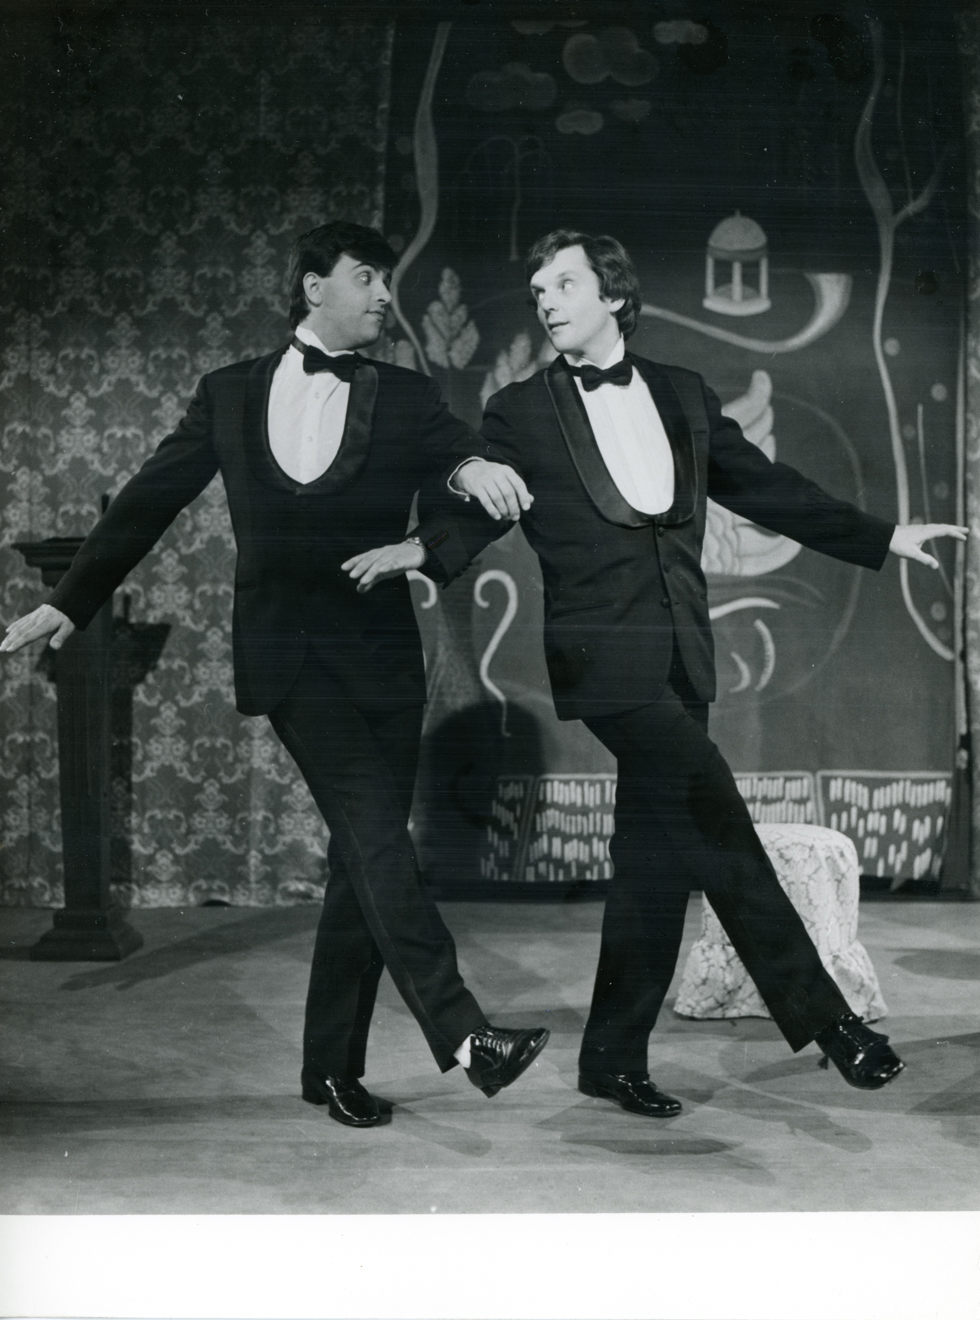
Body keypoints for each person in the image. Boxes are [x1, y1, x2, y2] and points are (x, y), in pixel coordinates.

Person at [0, 221, 547, 1129]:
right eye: (367, 278)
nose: (385, 296)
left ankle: (329, 1070)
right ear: (313, 286)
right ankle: (464, 1034)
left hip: (383, 664)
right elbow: (149, 498)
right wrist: (73, 600)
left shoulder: (406, 394)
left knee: (360, 861)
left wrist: (466, 487)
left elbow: (463, 461)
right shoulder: (229, 393)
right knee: (379, 837)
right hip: (290, 660)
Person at [445, 228, 967, 1117]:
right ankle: (831, 1021)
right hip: (603, 661)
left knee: (653, 859)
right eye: (537, 292)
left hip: (683, 656)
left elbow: (766, 487)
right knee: (718, 819)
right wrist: (446, 506)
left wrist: (882, 537)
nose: (546, 302)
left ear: (613, 295)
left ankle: (611, 1059)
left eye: (564, 284)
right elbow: (476, 504)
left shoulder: (681, 393)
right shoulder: (519, 410)